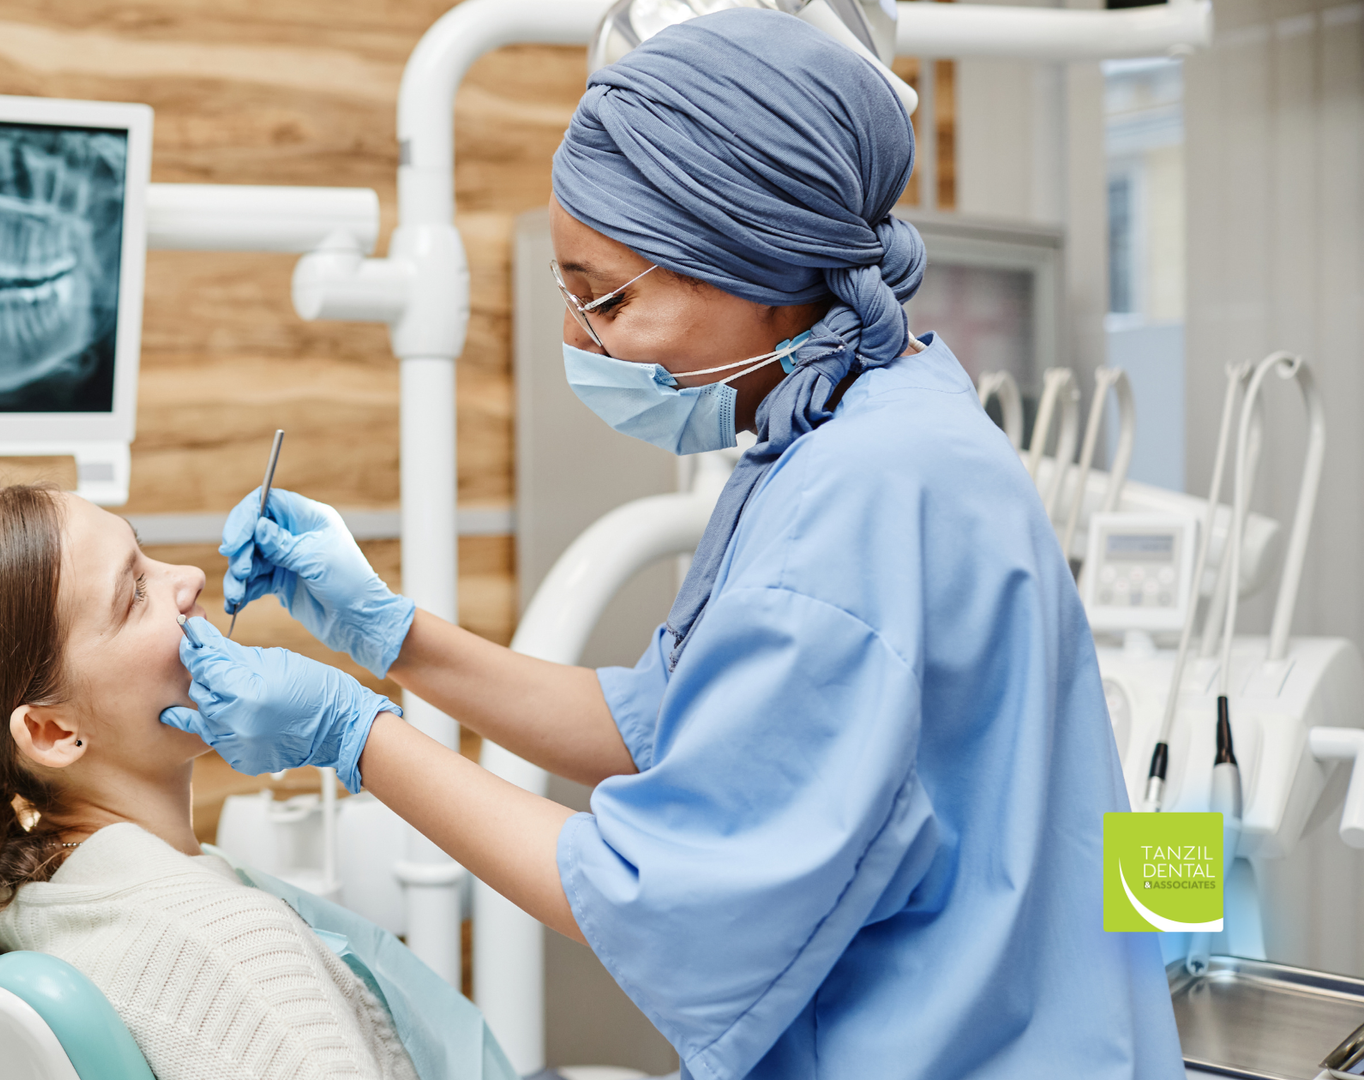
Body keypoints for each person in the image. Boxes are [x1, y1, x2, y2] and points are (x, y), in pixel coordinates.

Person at [160, 9, 1185, 1079]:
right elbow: (661, 722)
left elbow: (649, 889)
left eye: (603, 297)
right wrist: (385, 629)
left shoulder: (857, 505)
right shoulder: (848, 421)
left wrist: (352, 733)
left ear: (763, 276)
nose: (573, 338)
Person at [0, 486, 486, 1080]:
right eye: (134, 592)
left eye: (146, 554)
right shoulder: (235, 959)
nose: (188, 576)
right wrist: (352, 728)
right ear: (52, 731)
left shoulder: (11, 891)